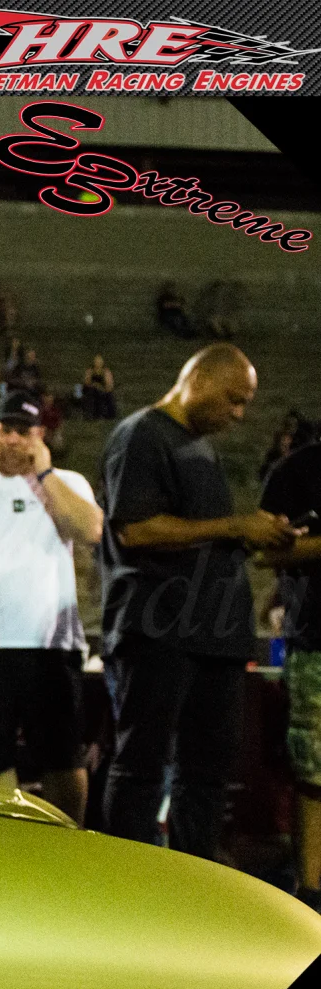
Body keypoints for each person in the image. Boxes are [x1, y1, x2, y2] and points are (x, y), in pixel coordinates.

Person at [97, 343, 292, 858]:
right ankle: (124, 880)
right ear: (199, 380)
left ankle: (193, 880)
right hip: (157, 629)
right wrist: (235, 525)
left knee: (207, 773)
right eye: (234, 399)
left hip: (215, 637)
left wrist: (255, 536)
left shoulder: (199, 446)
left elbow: (200, 536)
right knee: (142, 766)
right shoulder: (142, 434)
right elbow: (136, 529)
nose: (239, 414)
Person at [0, 391, 105, 825]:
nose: (15, 440)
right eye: (7, 429)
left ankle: (66, 841)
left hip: (49, 644)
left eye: (25, 431)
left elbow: (92, 528)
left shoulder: (66, 482)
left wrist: (46, 473)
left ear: (40, 435)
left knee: (63, 756)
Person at [258, 438, 321, 910]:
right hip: (318, 642)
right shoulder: (300, 470)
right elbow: (266, 550)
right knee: (314, 772)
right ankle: (312, 895)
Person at [79, 354, 116, 420]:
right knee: (89, 393)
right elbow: (86, 383)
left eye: (99, 362)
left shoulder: (106, 372)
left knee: (106, 396)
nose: (98, 364)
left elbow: (109, 387)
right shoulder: (90, 371)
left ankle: (106, 414)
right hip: (91, 391)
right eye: (96, 362)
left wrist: (100, 388)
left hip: (103, 391)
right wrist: (94, 385)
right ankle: (90, 414)